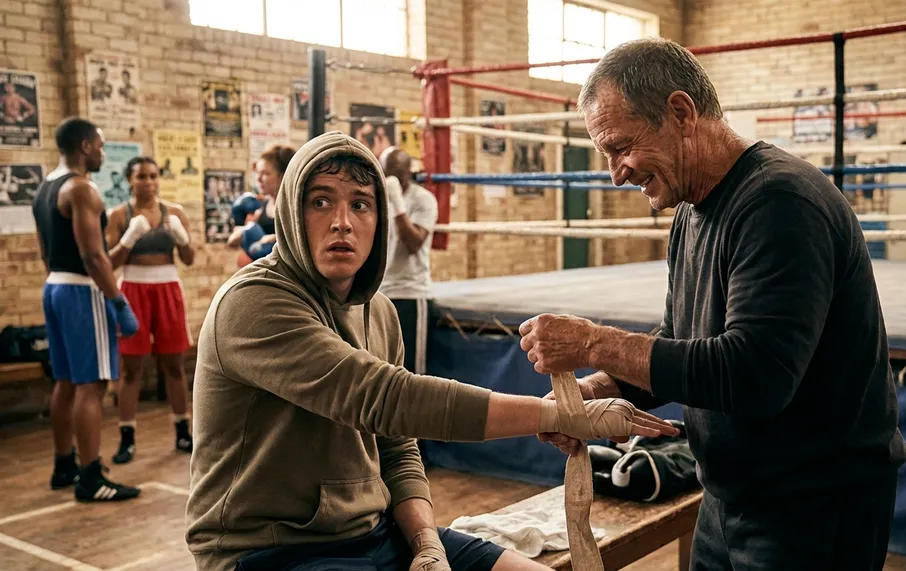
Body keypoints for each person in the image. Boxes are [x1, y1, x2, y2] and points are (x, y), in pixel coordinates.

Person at [185, 131, 679, 571]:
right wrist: (562, 415)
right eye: (320, 202)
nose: (342, 222)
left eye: (360, 204)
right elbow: (385, 398)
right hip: (272, 552)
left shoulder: (377, 311)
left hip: (377, 535)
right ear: (292, 211)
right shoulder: (253, 304)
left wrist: (427, 544)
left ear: (379, 217)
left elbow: (398, 442)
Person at [518, 37, 906, 571]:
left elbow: (755, 374)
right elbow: (683, 345)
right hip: (730, 495)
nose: (617, 173)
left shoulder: (779, 203)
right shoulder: (692, 209)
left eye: (622, 147)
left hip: (814, 506)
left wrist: (592, 342)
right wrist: (594, 393)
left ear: (681, 111)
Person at [31, 117, 142, 502]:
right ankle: (91, 477)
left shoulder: (45, 187)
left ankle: (65, 464)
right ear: (84, 146)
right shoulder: (82, 190)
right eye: (99, 144)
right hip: (82, 291)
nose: (103, 152)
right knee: (92, 385)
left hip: (54, 287)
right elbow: (94, 256)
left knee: (64, 381)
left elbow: (47, 252)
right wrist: (117, 301)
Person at [104, 156, 196, 464]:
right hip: (132, 289)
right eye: (141, 176)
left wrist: (181, 238)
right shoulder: (118, 215)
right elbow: (110, 263)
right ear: (129, 180)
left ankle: (183, 431)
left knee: (173, 365)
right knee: (131, 369)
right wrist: (130, 237)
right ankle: (126, 438)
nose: (148, 182)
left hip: (167, 287)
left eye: (153, 176)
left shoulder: (175, 213)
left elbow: (189, 258)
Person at [378, 146, 438, 374]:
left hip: (411, 294)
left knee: (411, 371)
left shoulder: (424, 200)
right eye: (385, 173)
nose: (389, 179)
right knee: (382, 368)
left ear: (407, 173)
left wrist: (396, 203)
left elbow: (413, 244)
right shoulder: (376, 198)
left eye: (395, 173)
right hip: (379, 294)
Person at [227, 144, 295, 261]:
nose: (258, 179)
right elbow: (232, 242)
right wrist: (243, 232)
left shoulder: (295, 208)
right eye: (258, 173)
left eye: (265, 173)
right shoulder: (261, 207)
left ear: (284, 175)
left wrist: (274, 239)